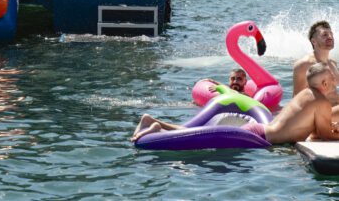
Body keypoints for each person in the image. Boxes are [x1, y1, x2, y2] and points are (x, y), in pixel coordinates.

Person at [132, 62, 339, 144]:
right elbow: (322, 134)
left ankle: (156, 122)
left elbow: (313, 127)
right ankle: (158, 128)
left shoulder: (306, 94)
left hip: (259, 129)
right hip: (258, 138)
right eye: (332, 79)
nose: (335, 82)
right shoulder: (321, 102)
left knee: (200, 132)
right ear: (323, 82)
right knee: (202, 140)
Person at [293, 21, 339, 104]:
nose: (330, 37)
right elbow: (296, 101)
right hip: (322, 115)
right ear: (313, 41)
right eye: (325, 34)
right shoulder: (304, 65)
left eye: (331, 34)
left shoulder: (333, 64)